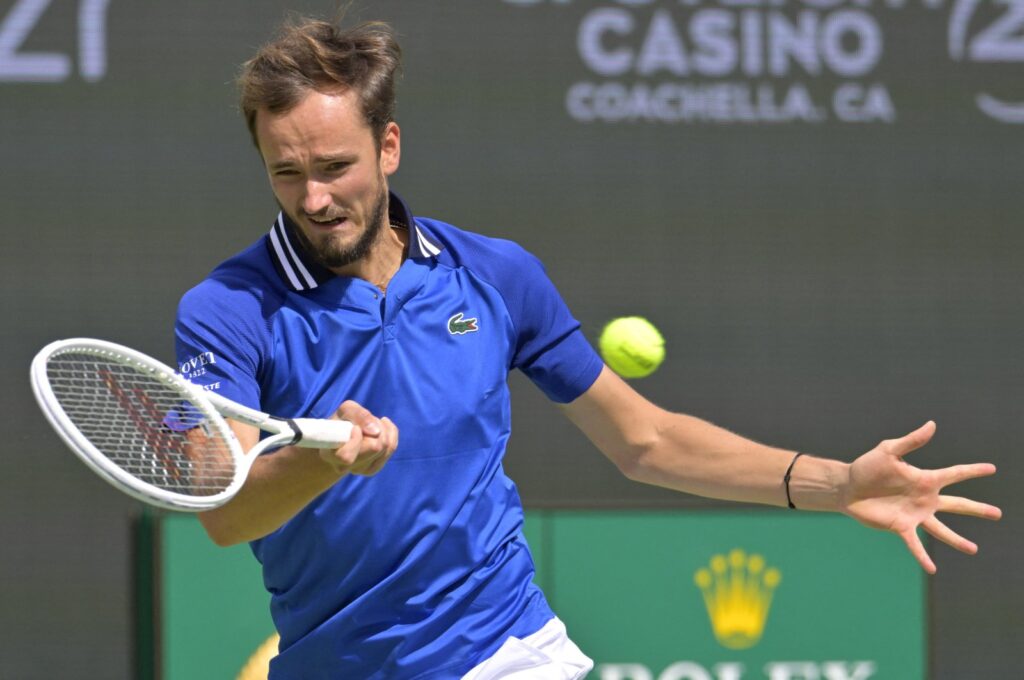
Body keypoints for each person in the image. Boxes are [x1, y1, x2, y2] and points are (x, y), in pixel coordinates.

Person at [174, 17, 1001, 680]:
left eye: (335, 166)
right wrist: (324, 461)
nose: (315, 198)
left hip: (506, 651)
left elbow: (645, 440)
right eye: (287, 174)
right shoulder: (227, 310)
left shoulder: (494, 276)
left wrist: (842, 483)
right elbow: (226, 514)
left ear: (388, 147)